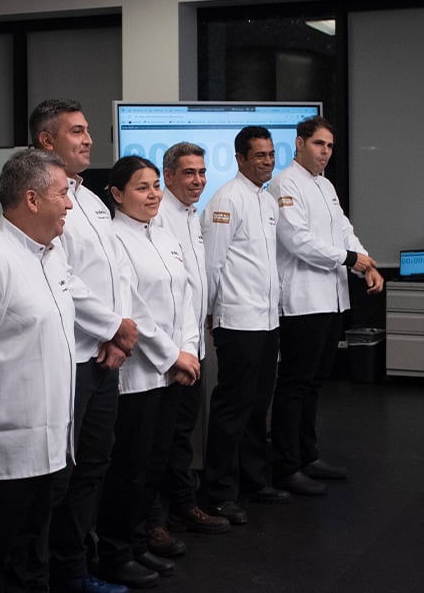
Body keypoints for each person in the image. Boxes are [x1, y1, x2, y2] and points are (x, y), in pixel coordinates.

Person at [29, 99, 140, 593]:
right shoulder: (43, 197)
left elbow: (113, 274)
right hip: (72, 360)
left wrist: (116, 336)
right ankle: (63, 575)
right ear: (46, 141)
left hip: (102, 355)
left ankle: (81, 565)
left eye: (88, 129)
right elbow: (63, 279)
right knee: (65, 476)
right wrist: (115, 326)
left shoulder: (90, 198)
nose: (89, 138)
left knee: (95, 465)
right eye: (76, 131)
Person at [0, 149, 75, 592]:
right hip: (5, 457)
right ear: (31, 199)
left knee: (33, 564)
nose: (69, 203)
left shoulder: (51, 254)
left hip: (50, 448)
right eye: (63, 194)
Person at [95, 156, 201, 589]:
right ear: (118, 195)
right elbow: (132, 310)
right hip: (139, 375)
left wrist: (189, 351)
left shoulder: (165, 235)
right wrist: (172, 355)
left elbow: (188, 296)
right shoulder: (114, 239)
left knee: (156, 463)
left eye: (156, 185)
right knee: (130, 469)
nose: (154, 194)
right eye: (142, 187)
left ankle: (139, 544)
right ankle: (117, 552)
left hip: (174, 369)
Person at [267, 115, 384, 496]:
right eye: (319, 144)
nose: (326, 152)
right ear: (299, 143)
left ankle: (307, 455)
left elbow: (344, 229)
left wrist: (365, 262)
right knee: (295, 384)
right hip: (302, 301)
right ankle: (286, 466)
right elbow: (296, 240)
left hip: (331, 299)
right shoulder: (284, 183)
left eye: (330, 146)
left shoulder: (326, 185)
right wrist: (351, 260)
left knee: (316, 383)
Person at [200, 126, 289, 527]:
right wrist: (213, 314)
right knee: (232, 410)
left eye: (271, 155)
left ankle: (254, 481)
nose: (267, 162)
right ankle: (219, 494)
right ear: (239, 159)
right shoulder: (226, 200)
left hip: (268, 321)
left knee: (258, 407)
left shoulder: (268, 201)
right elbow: (213, 265)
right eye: (259, 156)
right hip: (237, 322)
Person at [147, 143, 231, 553]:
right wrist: (177, 349)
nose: (198, 180)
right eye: (188, 173)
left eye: (201, 172)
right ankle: (157, 520)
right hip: (164, 352)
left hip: (191, 343)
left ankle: (182, 507)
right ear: (168, 176)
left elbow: (195, 285)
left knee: (181, 436)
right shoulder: (157, 216)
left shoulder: (191, 215)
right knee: (160, 441)